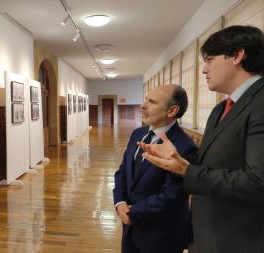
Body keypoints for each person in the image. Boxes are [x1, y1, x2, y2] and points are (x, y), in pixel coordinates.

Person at [140, 25, 264, 253]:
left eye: (209, 59)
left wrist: (187, 171)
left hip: (241, 239)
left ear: (237, 55)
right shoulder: (220, 109)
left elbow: (258, 182)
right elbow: (214, 166)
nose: (204, 69)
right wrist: (180, 162)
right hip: (208, 234)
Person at [113, 84, 198, 253]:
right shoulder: (138, 133)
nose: (143, 105)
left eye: (151, 101)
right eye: (145, 99)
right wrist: (120, 203)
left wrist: (133, 213)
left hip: (161, 235)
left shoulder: (184, 146)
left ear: (172, 111)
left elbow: (172, 195)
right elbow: (123, 171)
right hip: (130, 227)